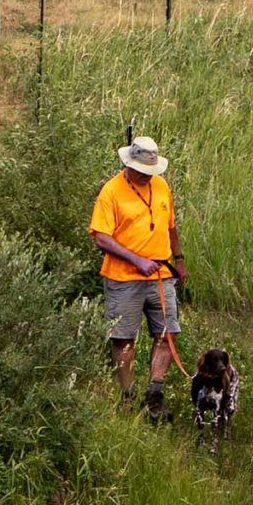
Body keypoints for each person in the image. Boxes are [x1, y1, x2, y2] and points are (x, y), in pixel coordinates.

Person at [89, 136, 186, 422]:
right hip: (123, 279)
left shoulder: (162, 186)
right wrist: (136, 260)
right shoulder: (111, 191)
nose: (147, 175)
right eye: (142, 170)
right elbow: (101, 237)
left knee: (167, 334)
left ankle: (155, 395)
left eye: (151, 171)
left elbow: (171, 227)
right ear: (129, 166)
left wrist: (179, 261)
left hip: (162, 275)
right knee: (123, 338)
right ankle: (128, 397)